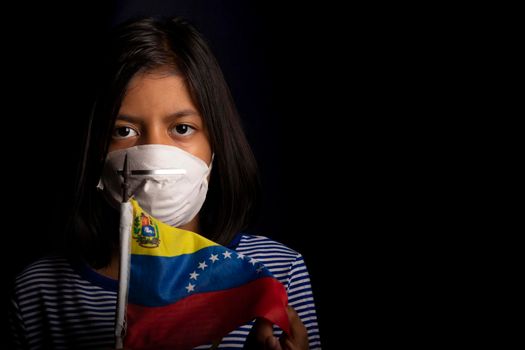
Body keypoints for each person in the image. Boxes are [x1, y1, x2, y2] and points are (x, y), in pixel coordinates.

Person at [8, 17, 321, 350]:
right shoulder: (39, 292)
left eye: (182, 129)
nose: (155, 157)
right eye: (124, 131)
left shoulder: (274, 270)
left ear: (216, 142)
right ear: (93, 146)